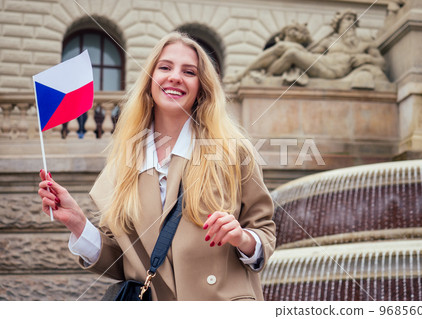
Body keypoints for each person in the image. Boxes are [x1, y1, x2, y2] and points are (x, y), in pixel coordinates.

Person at [38, 32, 276, 301]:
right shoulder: (123, 165)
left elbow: (265, 231)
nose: (175, 76)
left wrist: (243, 238)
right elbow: (123, 262)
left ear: (201, 88)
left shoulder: (234, 151)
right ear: (149, 80)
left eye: (189, 72)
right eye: (164, 67)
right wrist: (79, 224)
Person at [264, 10, 386, 85]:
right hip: (323, 63)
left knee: (292, 54)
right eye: (347, 19)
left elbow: (382, 64)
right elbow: (309, 53)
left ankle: (266, 75)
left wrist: (366, 59)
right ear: (338, 24)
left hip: (332, 72)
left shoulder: (365, 42)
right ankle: (266, 75)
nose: (351, 22)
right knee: (292, 53)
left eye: (354, 20)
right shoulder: (329, 42)